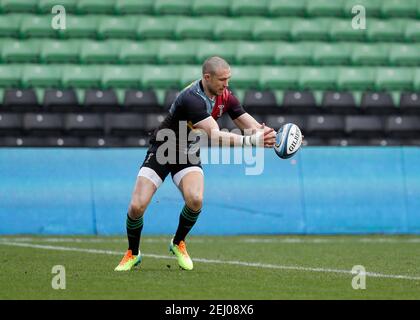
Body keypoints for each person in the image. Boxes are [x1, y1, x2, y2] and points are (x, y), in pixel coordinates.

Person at [115, 56, 276, 271]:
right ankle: (133, 253)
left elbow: (252, 126)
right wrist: (252, 141)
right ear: (207, 77)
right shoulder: (192, 98)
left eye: (228, 79)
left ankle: (178, 242)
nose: (226, 84)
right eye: (222, 79)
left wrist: (277, 138)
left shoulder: (225, 95)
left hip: (187, 151)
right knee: (137, 206)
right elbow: (215, 135)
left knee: (196, 199)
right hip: (163, 148)